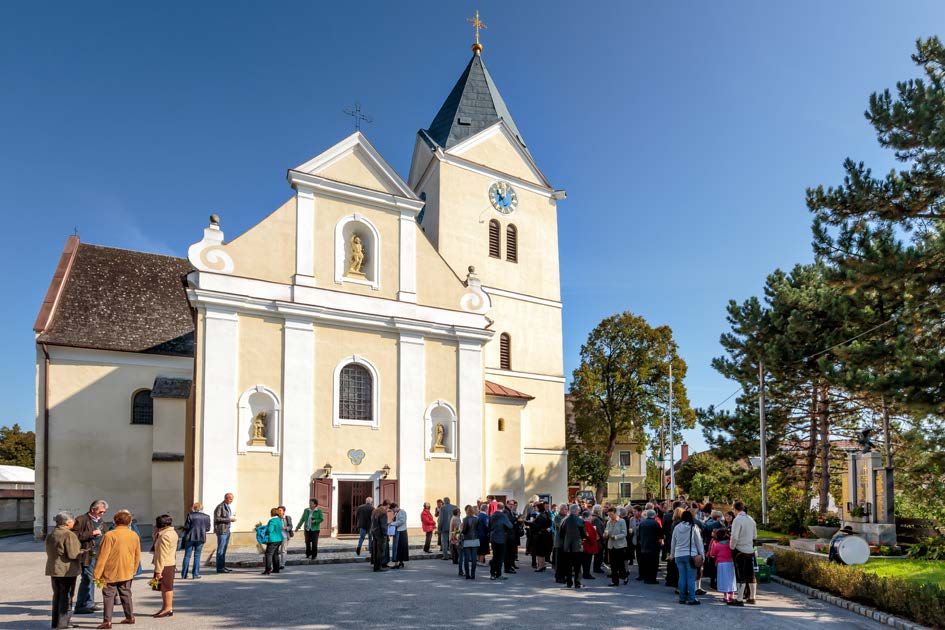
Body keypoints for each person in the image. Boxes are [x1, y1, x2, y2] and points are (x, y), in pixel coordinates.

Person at [93, 509, 140, 629]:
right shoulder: (134, 535)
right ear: (129, 522)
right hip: (127, 570)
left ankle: (107, 621)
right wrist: (134, 569)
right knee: (126, 594)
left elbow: (102, 556)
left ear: (115, 521)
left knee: (108, 595)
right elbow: (137, 555)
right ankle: (130, 617)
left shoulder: (110, 535)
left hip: (110, 570)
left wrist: (97, 574)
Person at [46, 511, 81, 630]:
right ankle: (63, 623)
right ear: (68, 522)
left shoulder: (52, 533)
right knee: (66, 596)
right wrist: (84, 553)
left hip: (54, 568)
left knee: (57, 595)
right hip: (66, 570)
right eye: (73, 521)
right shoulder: (68, 534)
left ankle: (55, 622)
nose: (74, 523)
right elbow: (73, 554)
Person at [73, 499, 108, 615]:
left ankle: (86, 603)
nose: (102, 514)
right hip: (87, 554)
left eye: (104, 512)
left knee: (90, 579)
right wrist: (91, 534)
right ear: (93, 509)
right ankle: (86, 604)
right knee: (88, 578)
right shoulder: (81, 519)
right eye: (101, 512)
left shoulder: (100, 520)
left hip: (97, 554)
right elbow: (73, 536)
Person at [670, 510, 704, 605]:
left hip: (678, 555)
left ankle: (682, 598)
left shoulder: (677, 527)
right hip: (690, 555)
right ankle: (692, 598)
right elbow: (699, 543)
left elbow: (673, 541)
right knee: (690, 578)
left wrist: (672, 553)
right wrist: (702, 555)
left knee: (682, 577)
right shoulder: (694, 527)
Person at [729, 500, 758, 606]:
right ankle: (752, 597)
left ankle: (739, 598)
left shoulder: (737, 520)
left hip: (740, 550)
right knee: (751, 574)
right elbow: (755, 536)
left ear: (735, 509)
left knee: (740, 575)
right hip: (750, 550)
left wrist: (732, 547)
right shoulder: (751, 519)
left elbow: (734, 536)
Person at [152, 514, 178, 618]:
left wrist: (158, 571)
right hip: (168, 563)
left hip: (165, 565)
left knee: (167, 587)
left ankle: (168, 608)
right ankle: (165, 607)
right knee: (163, 587)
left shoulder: (165, 536)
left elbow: (162, 554)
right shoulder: (171, 532)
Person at [556, 504, 585, 588]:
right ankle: (577, 582)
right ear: (576, 511)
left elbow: (561, 533)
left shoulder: (564, 520)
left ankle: (569, 582)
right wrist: (582, 539)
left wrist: (566, 540)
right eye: (578, 511)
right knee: (577, 566)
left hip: (567, 546)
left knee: (568, 565)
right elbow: (583, 534)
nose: (579, 512)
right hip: (577, 546)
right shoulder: (580, 520)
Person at [180, 502, 211, 579]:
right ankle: (195, 574)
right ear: (202, 508)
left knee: (187, 556)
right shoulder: (207, 517)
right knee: (197, 556)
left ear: (194, 507)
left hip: (190, 537)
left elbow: (186, 527)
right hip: (201, 537)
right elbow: (208, 529)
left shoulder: (190, 515)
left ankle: (184, 574)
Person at [708, 528, 736, 603]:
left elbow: (712, 554)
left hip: (721, 564)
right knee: (731, 579)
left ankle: (725, 596)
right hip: (730, 563)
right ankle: (732, 595)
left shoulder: (717, 545)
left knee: (723, 579)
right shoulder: (730, 544)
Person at [603, 507, 628, 587]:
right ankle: (614, 581)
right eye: (609, 515)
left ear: (615, 513)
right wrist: (605, 534)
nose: (610, 516)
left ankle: (624, 576)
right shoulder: (608, 522)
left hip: (620, 546)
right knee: (613, 564)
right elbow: (606, 530)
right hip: (611, 546)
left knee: (620, 564)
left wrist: (616, 537)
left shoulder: (621, 521)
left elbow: (624, 533)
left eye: (611, 514)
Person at [636, 509, 662, 584]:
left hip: (644, 546)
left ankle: (646, 578)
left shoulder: (642, 523)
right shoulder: (655, 523)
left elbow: (639, 535)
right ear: (654, 515)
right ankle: (652, 579)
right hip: (653, 547)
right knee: (653, 564)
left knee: (646, 564)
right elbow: (660, 535)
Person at [488, 502, 513, 580]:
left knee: (495, 556)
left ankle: (492, 573)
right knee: (500, 557)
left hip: (493, 537)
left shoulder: (492, 515)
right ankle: (498, 574)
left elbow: (489, 526)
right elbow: (510, 525)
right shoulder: (503, 516)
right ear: (503, 508)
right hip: (501, 538)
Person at [213, 493, 236, 573]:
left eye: (232, 498)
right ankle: (219, 568)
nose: (231, 500)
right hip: (222, 530)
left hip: (227, 530)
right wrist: (229, 519)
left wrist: (230, 518)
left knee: (224, 549)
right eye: (230, 499)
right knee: (221, 549)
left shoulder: (227, 506)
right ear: (226, 498)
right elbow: (217, 518)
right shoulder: (220, 506)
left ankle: (222, 566)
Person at [527, 502, 552, 572]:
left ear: (539, 508)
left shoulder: (541, 516)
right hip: (544, 535)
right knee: (542, 552)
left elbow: (537, 526)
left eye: (536, 507)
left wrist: (529, 523)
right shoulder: (545, 514)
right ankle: (543, 565)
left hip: (540, 536)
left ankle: (540, 566)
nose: (535, 508)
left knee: (539, 552)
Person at [262, 507, 284, 575]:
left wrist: (266, 530)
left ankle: (268, 570)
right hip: (279, 539)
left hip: (273, 539)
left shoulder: (272, 520)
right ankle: (276, 569)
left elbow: (270, 530)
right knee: (275, 554)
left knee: (268, 554)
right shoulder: (279, 520)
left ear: (272, 513)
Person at [460, 505, 480, 579]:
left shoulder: (465, 519)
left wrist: (462, 532)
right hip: (475, 539)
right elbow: (478, 529)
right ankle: (473, 574)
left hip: (467, 539)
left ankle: (467, 574)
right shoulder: (477, 519)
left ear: (467, 511)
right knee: (474, 558)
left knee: (466, 558)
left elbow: (464, 530)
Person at [369, 500, 389, 572]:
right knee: (380, 550)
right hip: (380, 533)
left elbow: (372, 521)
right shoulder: (383, 512)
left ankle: (375, 566)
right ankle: (379, 567)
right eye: (388, 506)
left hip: (374, 532)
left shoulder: (375, 510)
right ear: (387, 505)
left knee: (375, 550)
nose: (388, 508)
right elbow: (383, 525)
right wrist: (385, 534)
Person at [581, 509, 599, 581]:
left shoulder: (583, 523)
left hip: (585, 545)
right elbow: (589, 535)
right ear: (588, 517)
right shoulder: (587, 524)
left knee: (585, 561)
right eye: (591, 516)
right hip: (588, 545)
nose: (591, 518)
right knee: (587, 561)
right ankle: (586, 574)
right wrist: (593, 541)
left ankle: (586, 573)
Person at [391, 503, 408, 569]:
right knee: (399, 547)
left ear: (396, 507)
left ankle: (397, 563)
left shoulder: (402, 512)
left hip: (401, 531)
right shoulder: (397, 513)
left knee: (398, 548)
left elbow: (401, 521)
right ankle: (400, 562)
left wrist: (392, 523)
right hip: (398, 531)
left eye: (393, 509)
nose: (393, 511)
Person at [278, 506, 292, 570]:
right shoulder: (276, 518)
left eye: (280, 510)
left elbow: (291, 526)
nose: (279, 512)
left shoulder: (287, 518)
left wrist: (286, 528)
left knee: (283, 550)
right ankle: (276, 563)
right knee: (277, 551)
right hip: (277, 537)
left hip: (285, 536)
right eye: (278, 510)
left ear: (283, 511)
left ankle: (282, 564)